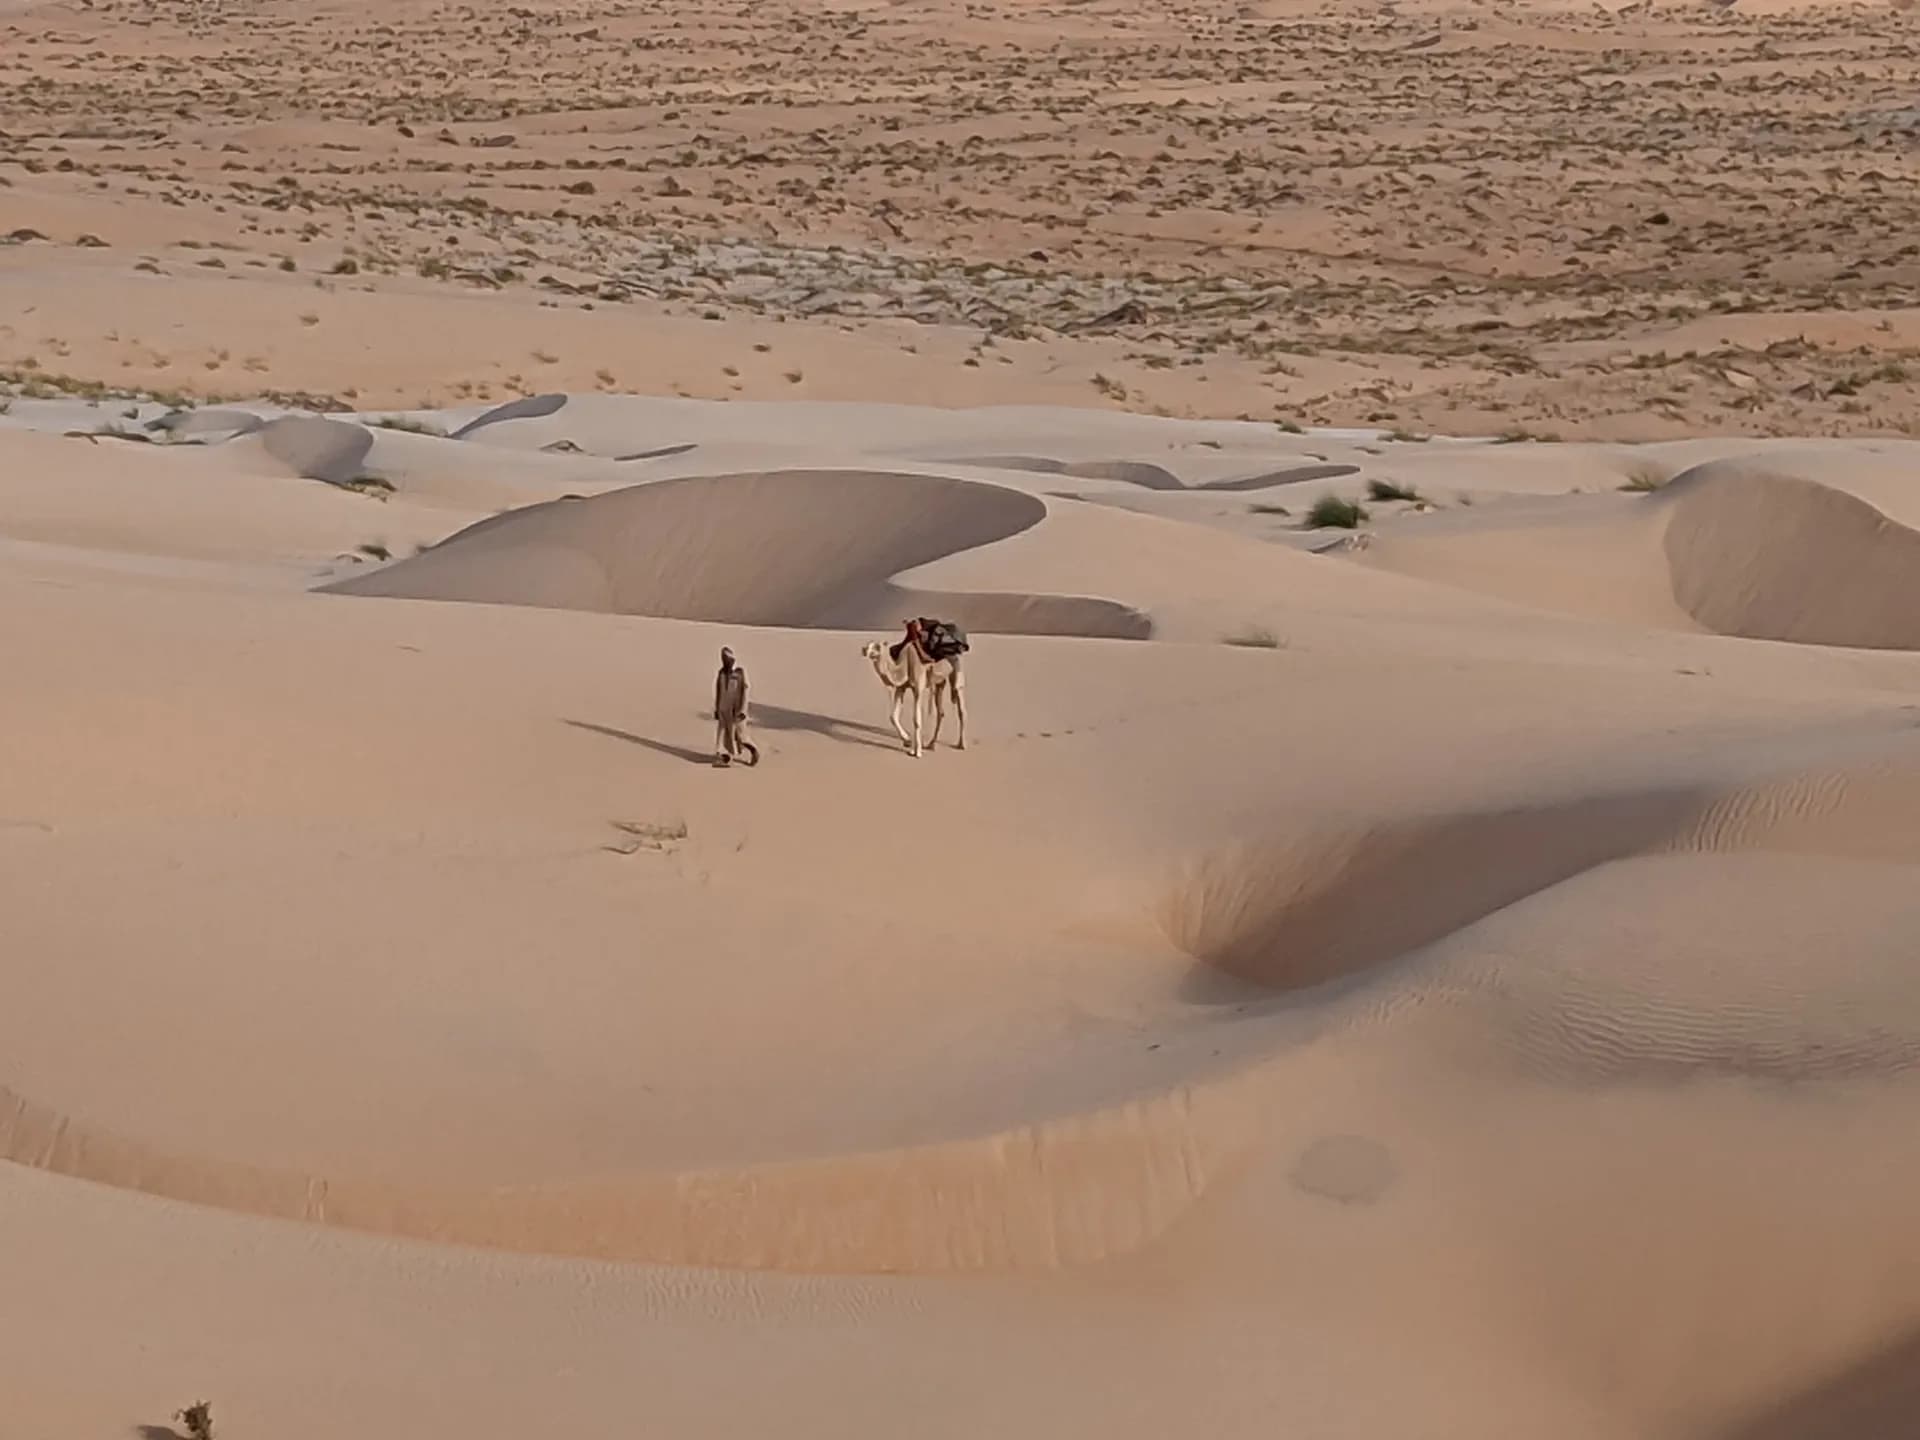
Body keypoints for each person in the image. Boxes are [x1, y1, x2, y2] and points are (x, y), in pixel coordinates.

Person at [712, 645, 759, 767]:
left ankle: (753, 750)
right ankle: (726, 757)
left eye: (726, 658)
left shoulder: (740, 673)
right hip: (723, 710)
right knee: (723, 735)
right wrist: (717, 708)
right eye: (722, 658)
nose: (724, 660)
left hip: (736, 711)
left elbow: (746, 691)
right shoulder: (721, 673)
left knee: (741, 736)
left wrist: (743, 710)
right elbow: (718, 691)